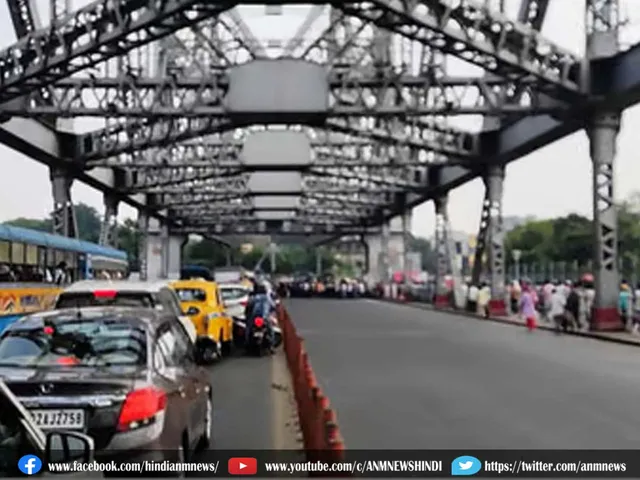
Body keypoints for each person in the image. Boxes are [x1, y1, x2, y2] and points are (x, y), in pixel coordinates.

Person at [245, 281, 276, 351]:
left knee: (248, 328)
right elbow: (273, 306)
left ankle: (247, 343)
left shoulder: (255, 297)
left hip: (255, 317)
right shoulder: (268, 298)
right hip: (264, 317)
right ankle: (272, 345)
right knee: (271, 330)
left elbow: (249, 305)